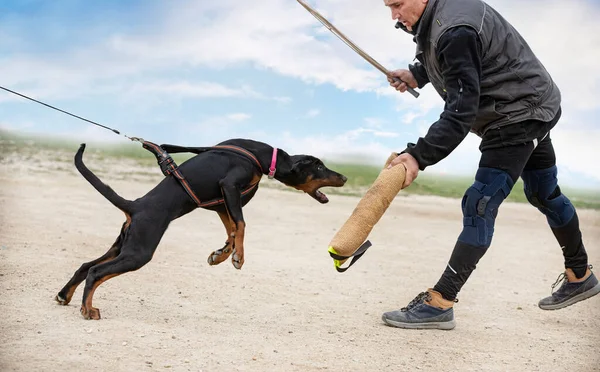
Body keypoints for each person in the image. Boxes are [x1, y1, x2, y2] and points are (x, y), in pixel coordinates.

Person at [380, 0, 599, 330]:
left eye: (397, 4)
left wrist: (417, 155)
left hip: (516, 115)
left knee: (479, 203)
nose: (394, 16)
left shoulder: (455, 29)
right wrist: (417, 74)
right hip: (533, 102)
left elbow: (460, 112)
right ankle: (580, 275)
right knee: (543, 193)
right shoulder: (440, 16)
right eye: (388, 6)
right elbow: (457, 57)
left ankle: (440, 302)